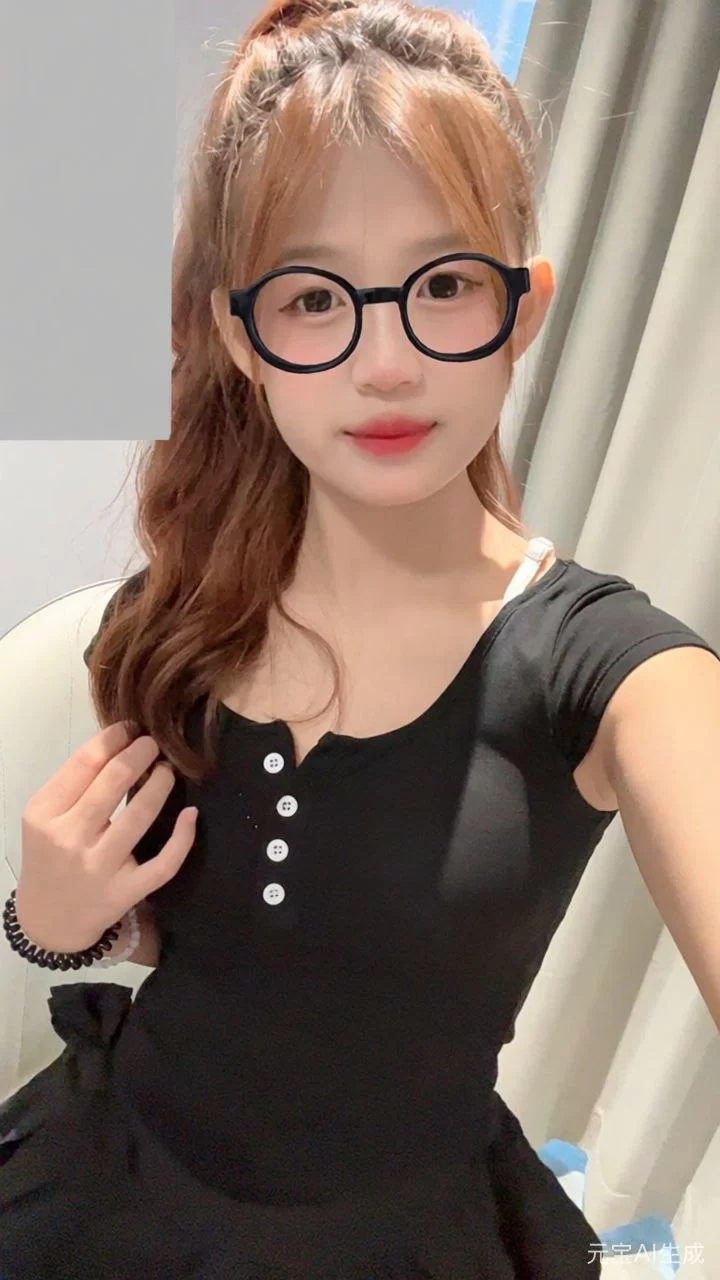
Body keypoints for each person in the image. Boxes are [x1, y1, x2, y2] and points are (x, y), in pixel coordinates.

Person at [1, 0, 719, 1276]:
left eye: (443, 285)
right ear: (243, 335)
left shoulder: (612, 672)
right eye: (313, 298)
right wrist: (47, 920)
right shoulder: (166, 620)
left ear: (524, 308)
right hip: (103, 1181)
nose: (386, 362)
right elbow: (197, 943)